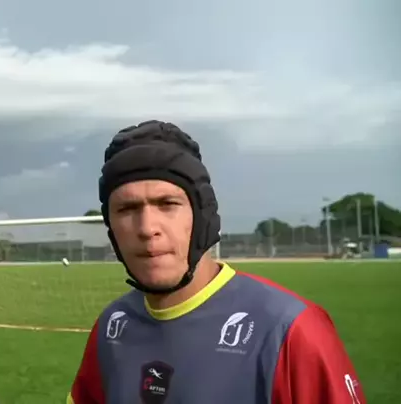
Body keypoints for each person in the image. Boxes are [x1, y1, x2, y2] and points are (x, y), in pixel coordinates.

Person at [67, 120, 365, 404]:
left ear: (203, 215)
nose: (147, 228)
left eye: (167, 204)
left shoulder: (291, 331)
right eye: (127, 209)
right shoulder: (112, 327)